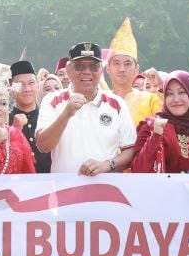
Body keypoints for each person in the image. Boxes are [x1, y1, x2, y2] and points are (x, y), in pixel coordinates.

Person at [36, 42, 137, 176]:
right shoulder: (52, 101)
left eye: (93, 66)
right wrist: (66, 114)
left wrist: (106, 165)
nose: (87, 72)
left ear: (101, 70)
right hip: (64, 191)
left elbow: (130, 150)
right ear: (68, 70)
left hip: (106, 191)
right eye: (79, 66)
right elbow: (43, 146)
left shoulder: (117, 104)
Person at [107, 18, 162, 125]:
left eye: (127, 64)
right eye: (116, 63)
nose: (122, 69)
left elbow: (166, 126)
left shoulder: (150, 100)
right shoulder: (100, 100)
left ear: (136, 69)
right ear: (108, 68)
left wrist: (160, 89)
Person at [8, 60, 51, 173]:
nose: (27, 89)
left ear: (38, 85)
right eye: (20, 84)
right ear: (11, 88)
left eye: (31, 83)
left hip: (50, 185)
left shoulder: (49, 117)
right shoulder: (3, 121)